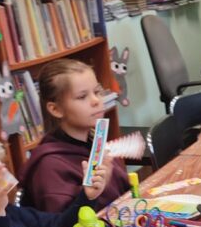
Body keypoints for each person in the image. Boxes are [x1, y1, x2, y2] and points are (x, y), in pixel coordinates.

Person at [20, 59, 130, 212]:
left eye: (97, 92)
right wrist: (93, 192)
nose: (96, 101)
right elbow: (65, 223)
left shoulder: (93, 142)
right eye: (82, 97)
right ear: (56, 109)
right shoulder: (49, 165)